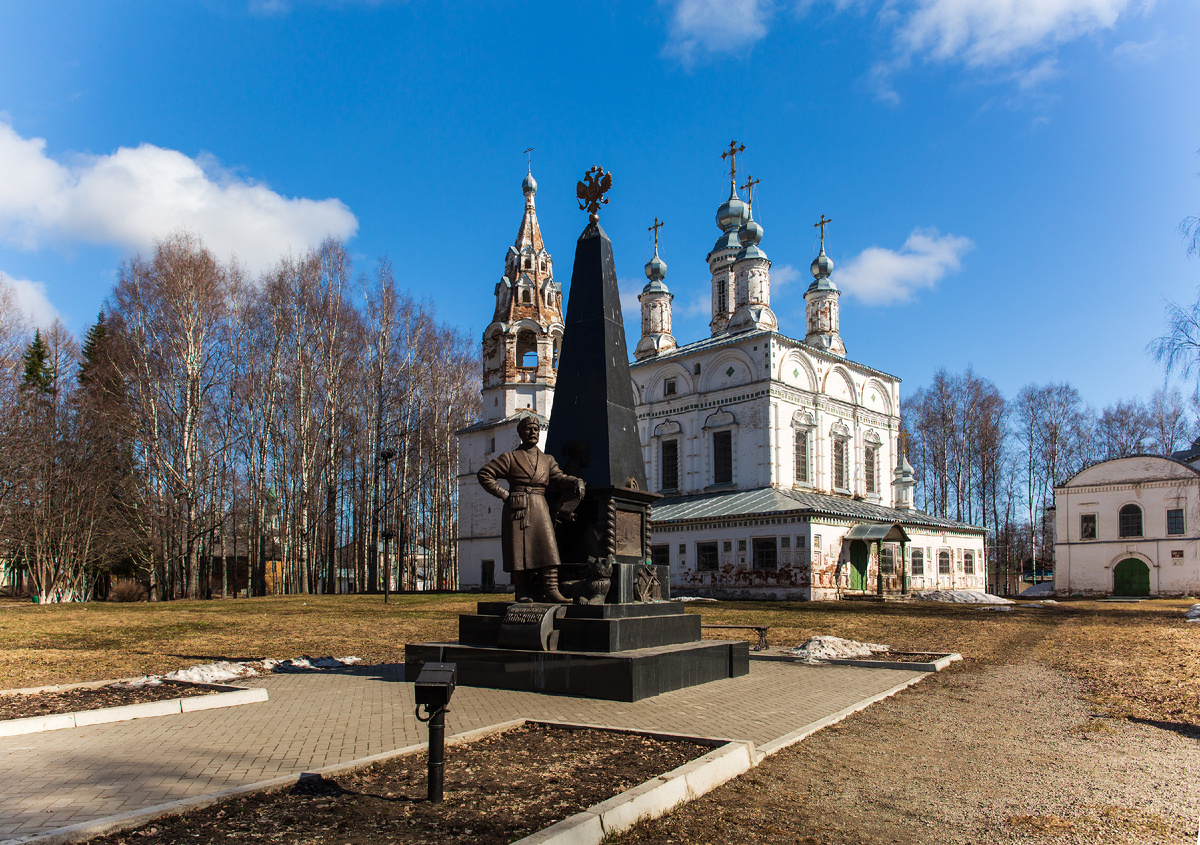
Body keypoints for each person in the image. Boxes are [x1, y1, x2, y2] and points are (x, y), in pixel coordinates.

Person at [477, 415, 585, 602]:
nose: (533, 432)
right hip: (517, 508)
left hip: (539, 506)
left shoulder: (547, 460)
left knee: (548, 547)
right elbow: (485, 474)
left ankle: (552, 588)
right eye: (528, 428)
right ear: (521, 433)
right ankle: (521, 590)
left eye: (536, 428)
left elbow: (558, 478)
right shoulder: (510, 458)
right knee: (519, 552)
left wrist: (576, 480)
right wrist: (504, 494)